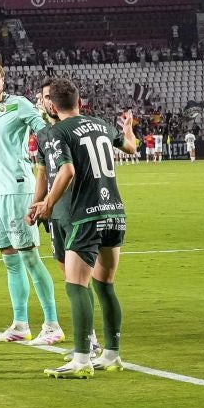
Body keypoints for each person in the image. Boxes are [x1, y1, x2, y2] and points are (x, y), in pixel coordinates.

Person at [30, 78, 137, 378]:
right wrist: (128, 128)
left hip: (84, 216)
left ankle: (81, 359)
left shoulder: (55, 132)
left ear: (51, 106)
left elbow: (66, 171)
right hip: (114, 212)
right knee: (105, 286)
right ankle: (112, 355)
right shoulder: (101, 124)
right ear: (79, 101)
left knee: (76, 285)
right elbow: (131, 147)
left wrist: (47, 204)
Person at [0, 59, 61, 346]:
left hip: (19, 190)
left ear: (3, 80)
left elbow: (45, 132)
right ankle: (20, 324)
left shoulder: (19, 105)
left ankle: (52, 324)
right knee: (10, 259)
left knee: (30, 257)